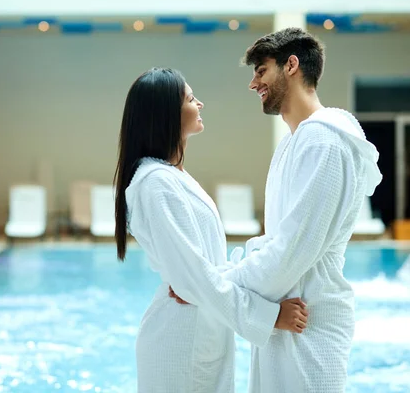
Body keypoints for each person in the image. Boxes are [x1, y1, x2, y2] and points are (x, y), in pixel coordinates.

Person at [169, 28, 383, 392]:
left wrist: (210, 287)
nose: (254, 83)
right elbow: (276, 244)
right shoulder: (296, 143)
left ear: (292, 66)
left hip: (309, 325)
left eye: (261, 70)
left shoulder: (325, 143)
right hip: (287, 317)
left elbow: (291, 253)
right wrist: (219, 275)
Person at [113, 67, 309, 393]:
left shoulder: (171, 177)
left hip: (201, 331)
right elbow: (194, 281)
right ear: (166, 114)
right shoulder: (156, 184)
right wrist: (269, 316)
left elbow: (200, 273)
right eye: (190, 98)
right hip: (180, 341)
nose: (200, 104)